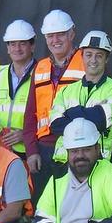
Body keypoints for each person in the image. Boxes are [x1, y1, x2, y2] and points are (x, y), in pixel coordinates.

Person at [46, 29, 112, 162]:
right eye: (88, 54)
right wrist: (92, 113)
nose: (93, 60)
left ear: (106, 59)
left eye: (99, 55)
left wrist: (70, 113)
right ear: (81, 56)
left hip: (101, 162)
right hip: (64, 161)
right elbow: (55, 124)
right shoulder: (66, 91)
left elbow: (101, 119)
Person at [27, 9, 84, 180]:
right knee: (43, 204)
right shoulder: (40, 67)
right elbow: (30, 113)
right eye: (50, 36)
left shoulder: (88, 61)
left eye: (61, 35)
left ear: (71, 34)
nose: (55, 40)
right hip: (44, 149)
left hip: (76, 146)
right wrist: (31, 151)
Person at [0, 19, 39, 165]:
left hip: (29, 154)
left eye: (22, 43)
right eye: (12, 43)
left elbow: (49, 116)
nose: (17, 48)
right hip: (0, 152)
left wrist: (27, 135)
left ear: (32, 46)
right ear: (8, 47)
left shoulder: (43, 73)